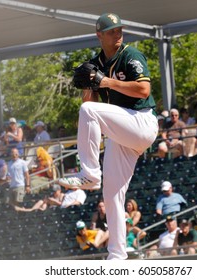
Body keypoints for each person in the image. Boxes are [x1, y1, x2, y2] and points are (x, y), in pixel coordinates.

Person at [58, 13, 158, 260]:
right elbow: (89, 103)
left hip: (141, 121)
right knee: (112, 195)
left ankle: (90, 174)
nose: (118, 33)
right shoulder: (96, 63)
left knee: (88, 111)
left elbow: (144, 89)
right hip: (121, 133)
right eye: (112, 30)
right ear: (99, 35)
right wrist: (88, 86)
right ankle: (117, 256)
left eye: (119, 29)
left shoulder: (131, 55)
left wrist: (106, 82)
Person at [15, 184, 87, 212]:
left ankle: (30, 210)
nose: (54, 193)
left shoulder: (80, 192)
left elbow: (77, 203)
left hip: (65, 209)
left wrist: (66, 206)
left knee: (47, 200)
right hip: (58, 206)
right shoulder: (68, 192)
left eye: (55, 191)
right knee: (42, 201)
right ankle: (33, 209)